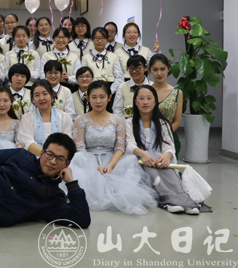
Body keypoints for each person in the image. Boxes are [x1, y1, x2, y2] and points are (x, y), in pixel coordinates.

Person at [67, 81, 157, 215]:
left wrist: (110, 166)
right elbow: (80, 149)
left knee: (131, 160)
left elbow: (120, 148)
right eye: (94, 97)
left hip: (112, 160)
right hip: (88, 160)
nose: (98, 101)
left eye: (102, 97)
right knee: (78, 157)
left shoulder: (117, 120)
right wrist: (96, 167)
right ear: (88, 98)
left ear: (109, 98)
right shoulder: (81, 120)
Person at [127, 85, 203, 214]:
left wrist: (167, 156)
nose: (145, 102)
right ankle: (169, 200)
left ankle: (184, 200)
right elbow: (129, 144)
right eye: (141, 98)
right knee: (151, 168)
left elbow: (169, 146)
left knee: (167, 170)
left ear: (155, 101)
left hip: (158, 160)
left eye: (149, 98)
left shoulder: (163, 123)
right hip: (139, 162)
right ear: (135, 102)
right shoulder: (129, 122)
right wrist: (143, 154)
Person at [18, 80, 74, 156]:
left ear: (52, 95)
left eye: (45, 94)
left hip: (59, 158)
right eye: (37, 95)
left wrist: (55, 157)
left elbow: (68, 141)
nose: (41, 98)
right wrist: (47, 156)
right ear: (32, 98)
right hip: (35, 157)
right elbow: (28, 142)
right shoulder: (27, 118)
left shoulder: (65, 117)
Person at [149, 54, 184, 157]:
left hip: (169, 138)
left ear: (169, 69)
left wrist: (163, 134)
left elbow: (177, 121)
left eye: (162, 69)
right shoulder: (145, 91)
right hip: (147, 138)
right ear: (150, 70)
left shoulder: (177, 93)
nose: (159, 73)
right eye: (155, 69)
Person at [81, 27, 124, 98]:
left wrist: (110, 91)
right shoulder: (85, 58)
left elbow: (119, 78)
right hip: (92, 91)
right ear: (92, 39)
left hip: (110, 91)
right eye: (97, 38)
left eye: (103, 38)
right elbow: (83, 77)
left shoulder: (113, 57)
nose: (100, 41)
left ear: (107, 40)